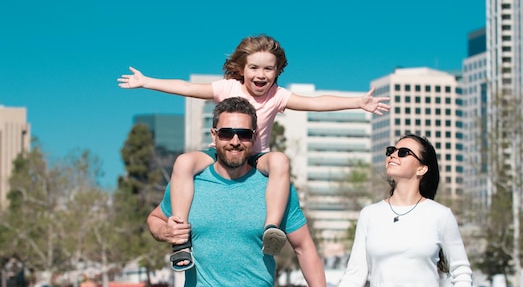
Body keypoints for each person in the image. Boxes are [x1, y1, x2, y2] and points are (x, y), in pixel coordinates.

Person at [119, 34, 390, 271]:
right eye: (254, 67)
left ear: (277, 71)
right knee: (183, 162)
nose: (261, 75)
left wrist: (357, 102)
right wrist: (146, 82)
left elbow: (316, 103)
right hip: (221, 152)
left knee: (281, 161)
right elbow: (188, 88)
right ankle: (180, 239)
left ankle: (271, 229)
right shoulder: (228, 88)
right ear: (242, 68)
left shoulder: (277, 95)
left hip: (258, 156)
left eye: (268, 69)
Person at [146, 97, 335, 287]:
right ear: (214, 136)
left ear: (254, 137)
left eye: (244, 134)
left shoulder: (275, 187)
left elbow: (304, 247)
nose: (235, 141)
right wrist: (166, 232)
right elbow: (155, 219)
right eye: (226, 133)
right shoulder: (190, 184)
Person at [319, 135, 473, 287]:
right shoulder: (370, 214)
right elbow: (356, 274)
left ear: (422, 168)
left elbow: (461, 270)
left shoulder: (440, 215)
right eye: (392, 150)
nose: (393, 154)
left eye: (403, 152)